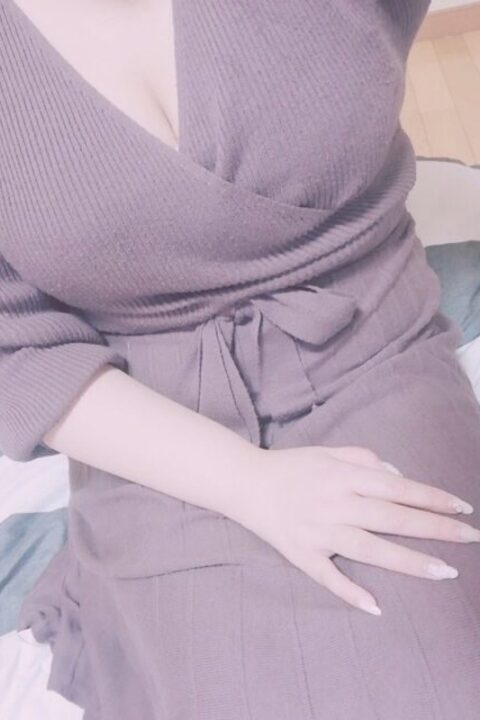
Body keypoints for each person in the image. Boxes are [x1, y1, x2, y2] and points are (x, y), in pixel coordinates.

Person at [2, 0, 480, 717]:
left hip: (367, 346)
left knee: (427, 677)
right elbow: (17, 351)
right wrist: (249, 484)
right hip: (150, 421)